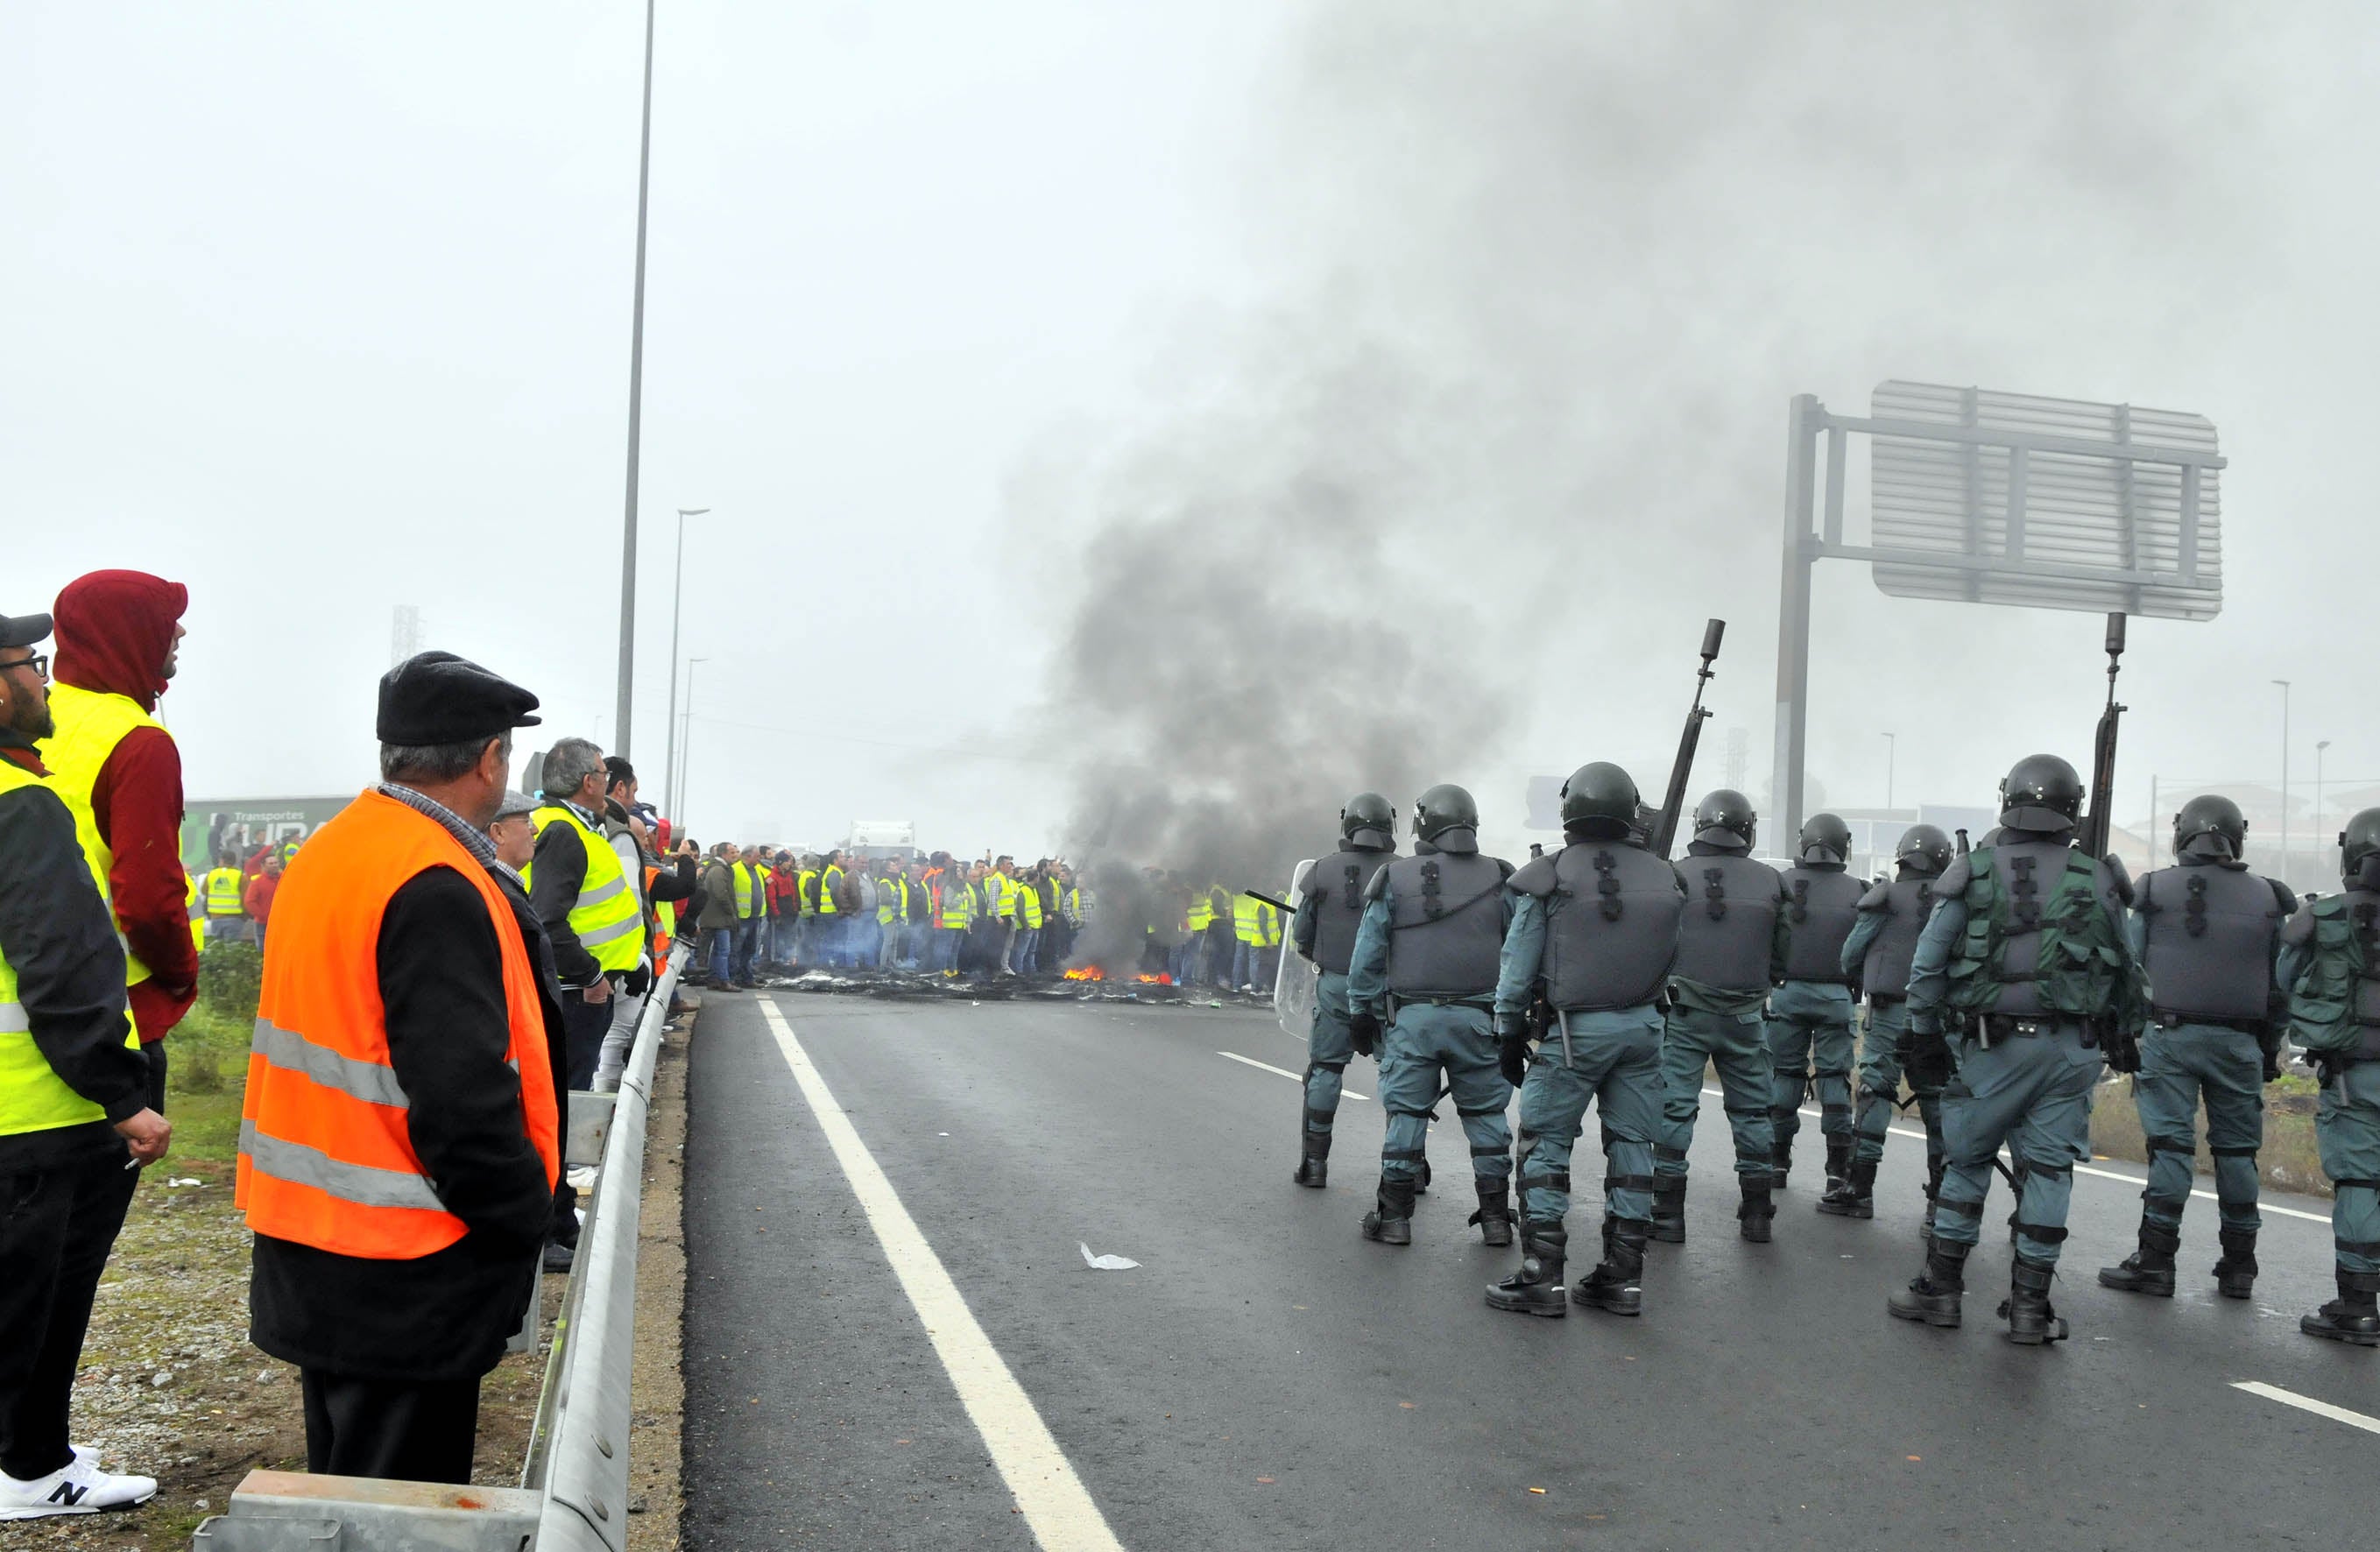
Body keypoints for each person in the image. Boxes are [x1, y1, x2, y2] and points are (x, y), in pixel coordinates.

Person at [240, 650, 557, 1481]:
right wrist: (524, 1215)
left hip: (314, 1236)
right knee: (398, 1507)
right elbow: (462, 1097)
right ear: (490, 760)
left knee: (350, 1490)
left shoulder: (336, 850)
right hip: (406, 1257)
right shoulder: (435, 880)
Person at [0, 609, 170, 1520]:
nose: (44, 680)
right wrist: (121, 1092)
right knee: (36, 1301)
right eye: (31, 664)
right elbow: (61, 964)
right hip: (32, 1114)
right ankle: (33, 1471)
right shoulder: (18, 802)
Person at [1888, 754, 2143, 1345]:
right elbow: (2127, 968)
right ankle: (2031, 1308)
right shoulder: (2100, 876)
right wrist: (2126, 1034)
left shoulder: (1971, 872)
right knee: (2049, 1170)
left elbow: (1927, 964)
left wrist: (1921, 1031)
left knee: (1967, 1160)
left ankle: (1941, 1290)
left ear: (2007, 801)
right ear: (2070, 809)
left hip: (1992, 1048)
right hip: (2070, 1052)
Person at [1486, 763, 1682, 1318]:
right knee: (1632, 1148)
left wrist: (1507, 1028)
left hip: (1574, 1033)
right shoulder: (1668, 876)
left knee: (1546, 1145)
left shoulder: (1546, 873)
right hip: (1644, 1029)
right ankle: (1623, 1279)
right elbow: (1673, 954)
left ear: (1570, 811)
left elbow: (1518, 962)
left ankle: (1541, 1277)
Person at [2094, 796, 2296, 1300]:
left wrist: (2120, 1034)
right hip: (2241, 1043)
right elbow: (2279, 987)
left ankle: (2156, 1262)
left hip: (2170, 1037)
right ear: (2236, 837)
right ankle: (2240, 1268)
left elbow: (2129, 964)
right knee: (2237, 1153)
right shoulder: (2270, 897)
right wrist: (2269, 1050)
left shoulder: (2154, 888)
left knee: (2170, 1148)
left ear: (2181, 835)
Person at [35, 571, 200, 1118]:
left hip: (33, 990)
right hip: (114, 1010)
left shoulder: (35, 716)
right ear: (129, 632)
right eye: (166, 619)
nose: (179, 633)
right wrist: (178, 975)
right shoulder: (138, 742)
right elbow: (149, 897)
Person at [1345, 784, 1516, 1250]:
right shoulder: (1501, 877)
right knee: (1486, 1119)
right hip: (1481, 1022)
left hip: (1414, 1022)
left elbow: (1368, 955)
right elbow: (1520, 951)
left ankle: (1395, 1219)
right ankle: (1498, 1220)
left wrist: (1360, 1010)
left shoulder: (1393, 878)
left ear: (1425, 825)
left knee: (1406, 1117)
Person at [1652, 789, 1788, 1245]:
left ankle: (1668, 1214)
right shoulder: (1772, 881)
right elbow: (1782, 957)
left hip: (1684, 1013)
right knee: (1752, 1114)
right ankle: (1757, 1215)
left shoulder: (1670, 875)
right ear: (1748, 829)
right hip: (1747, 1016)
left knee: (1674, 1111)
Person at [2276, 807, 2380, 1344]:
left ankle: (2359, 1306)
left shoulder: (2325, 914)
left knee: (2361, 1181)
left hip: (2354, 1074)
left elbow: (2284, 977)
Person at [1837, 823, 1956, 1225]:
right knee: (1939, 1102)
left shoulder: (1884, 898)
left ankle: (1858, 1190)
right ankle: (1941, 1204)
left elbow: (1850, 955)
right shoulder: (1955, 898)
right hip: (1937, 1014)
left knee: (1874, 1092)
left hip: (1887, 1010)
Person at [1287, 793, 1397, 1189]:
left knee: (1326, 1070)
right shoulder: (1407, 872)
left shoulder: (1321, 870)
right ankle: (1408, 1169)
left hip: (1336, 985)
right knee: (1401, 1077)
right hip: (1391, 993)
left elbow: (1301, 937)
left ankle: (1314, 1165)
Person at [1766, 812, 1865, 1202]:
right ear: (1844, 845)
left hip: (1787, 993)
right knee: (1835, 1081)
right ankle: (1836, 1172)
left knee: (1784, 1077)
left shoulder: (1780, 883)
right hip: (1837, 997)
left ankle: (1776, 1163)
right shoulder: (1859, 888)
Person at [694, 843, 741, 989]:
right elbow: (721, 895)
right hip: (719, 918)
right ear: (723, 854)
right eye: (732, 852)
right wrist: (731, 912)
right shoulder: (719, 870)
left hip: (716, 917)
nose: (735, 855)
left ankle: (715, 979)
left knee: (718, 951)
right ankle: (723, 980)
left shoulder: (720, 869)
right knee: (723, 950)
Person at [242, 852, 285, 942]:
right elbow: (249, 901)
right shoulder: (257, 882)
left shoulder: (285, 878)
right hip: (263, 924)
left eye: (276, 863)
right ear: (263, 866)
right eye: (271, 863)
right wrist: (263, 916)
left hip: (283, 922)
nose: (274, 865)